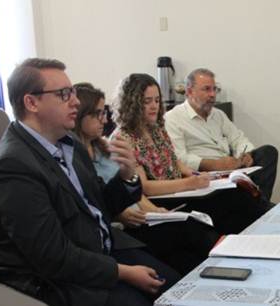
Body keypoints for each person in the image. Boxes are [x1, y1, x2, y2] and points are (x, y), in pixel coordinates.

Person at [0, 58, 180, 306]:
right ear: (31, 102)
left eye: (72, 92)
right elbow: (50, 256)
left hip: (90, 252)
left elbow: (99, 205)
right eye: (64, 94)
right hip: (42, 281)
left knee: (175, 292)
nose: (75, 101)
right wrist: (122, 273)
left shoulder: (66, 143)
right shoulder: (13, 166)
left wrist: (128, 177)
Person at [72, 82, 219, 276]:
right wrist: (120, 213)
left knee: (189, 249)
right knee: (191, 229)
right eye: (98, 114)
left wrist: (155, 211)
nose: (104, 119)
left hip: (142, 214)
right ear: (80, 115)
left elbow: (135, 186)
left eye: (157, 100)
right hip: (124, 225)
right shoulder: (85, 152)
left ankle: (219, 269)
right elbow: (125, 191)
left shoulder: (104, 148)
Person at [113, 73, 269, 235]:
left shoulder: (156, 129)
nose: (154, 106)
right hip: (164, 198)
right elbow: (144, 187)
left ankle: (267, 227)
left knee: (238, 194)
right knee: (230, 203)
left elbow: (175, 161)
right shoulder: (124, 138)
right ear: (132, 104)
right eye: (147, 101)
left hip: (179, 191)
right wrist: (189, 183)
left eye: (157, 100)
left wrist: (196, 175)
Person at [164, 68, 278, 202]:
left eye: (215, 89)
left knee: (268, 152)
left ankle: (258, 201)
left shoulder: (218, 114)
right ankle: (259, 204)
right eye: (206, 89)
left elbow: (238, 139)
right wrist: (215, 164)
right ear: (189, 92)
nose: (212, 94)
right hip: (206, 174)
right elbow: (179, 158)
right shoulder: (173, 118)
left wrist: (246, 154)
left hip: (232, 168)